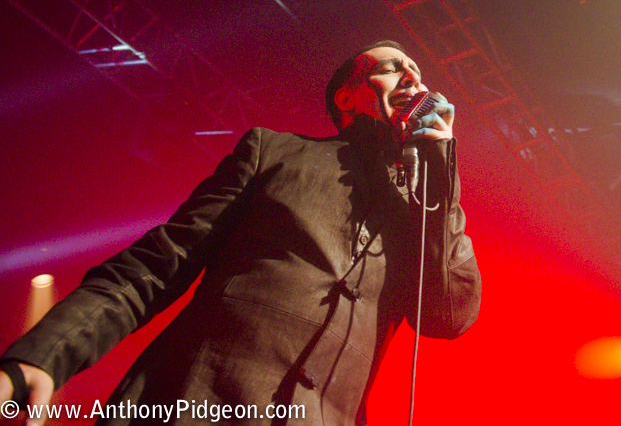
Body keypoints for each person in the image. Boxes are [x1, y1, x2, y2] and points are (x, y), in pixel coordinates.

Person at [0, 40, 482, 425]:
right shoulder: (273, 152)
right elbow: (156, 264)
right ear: (347, 96)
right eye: (393, 66)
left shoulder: (422, 210)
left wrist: (441, 165)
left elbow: (449, 316)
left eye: (417, 71)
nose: (413, 77)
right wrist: (45, 354)